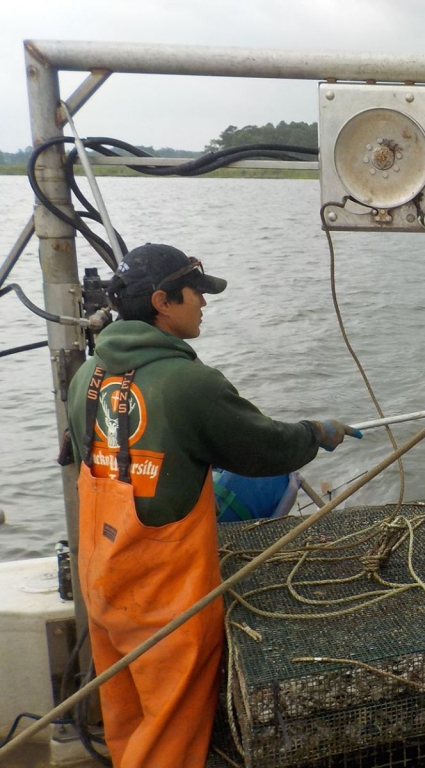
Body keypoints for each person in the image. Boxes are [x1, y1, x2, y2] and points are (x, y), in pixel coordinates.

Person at [65, 243, 360, 768]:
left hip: (102, 580)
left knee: (127, 716)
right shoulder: (189, 384)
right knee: (169, 741)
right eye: (195, 293)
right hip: (165, 599)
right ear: (163, 301)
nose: (204, 303)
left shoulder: (85, 378)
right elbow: (264, 449)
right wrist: (317, 432)